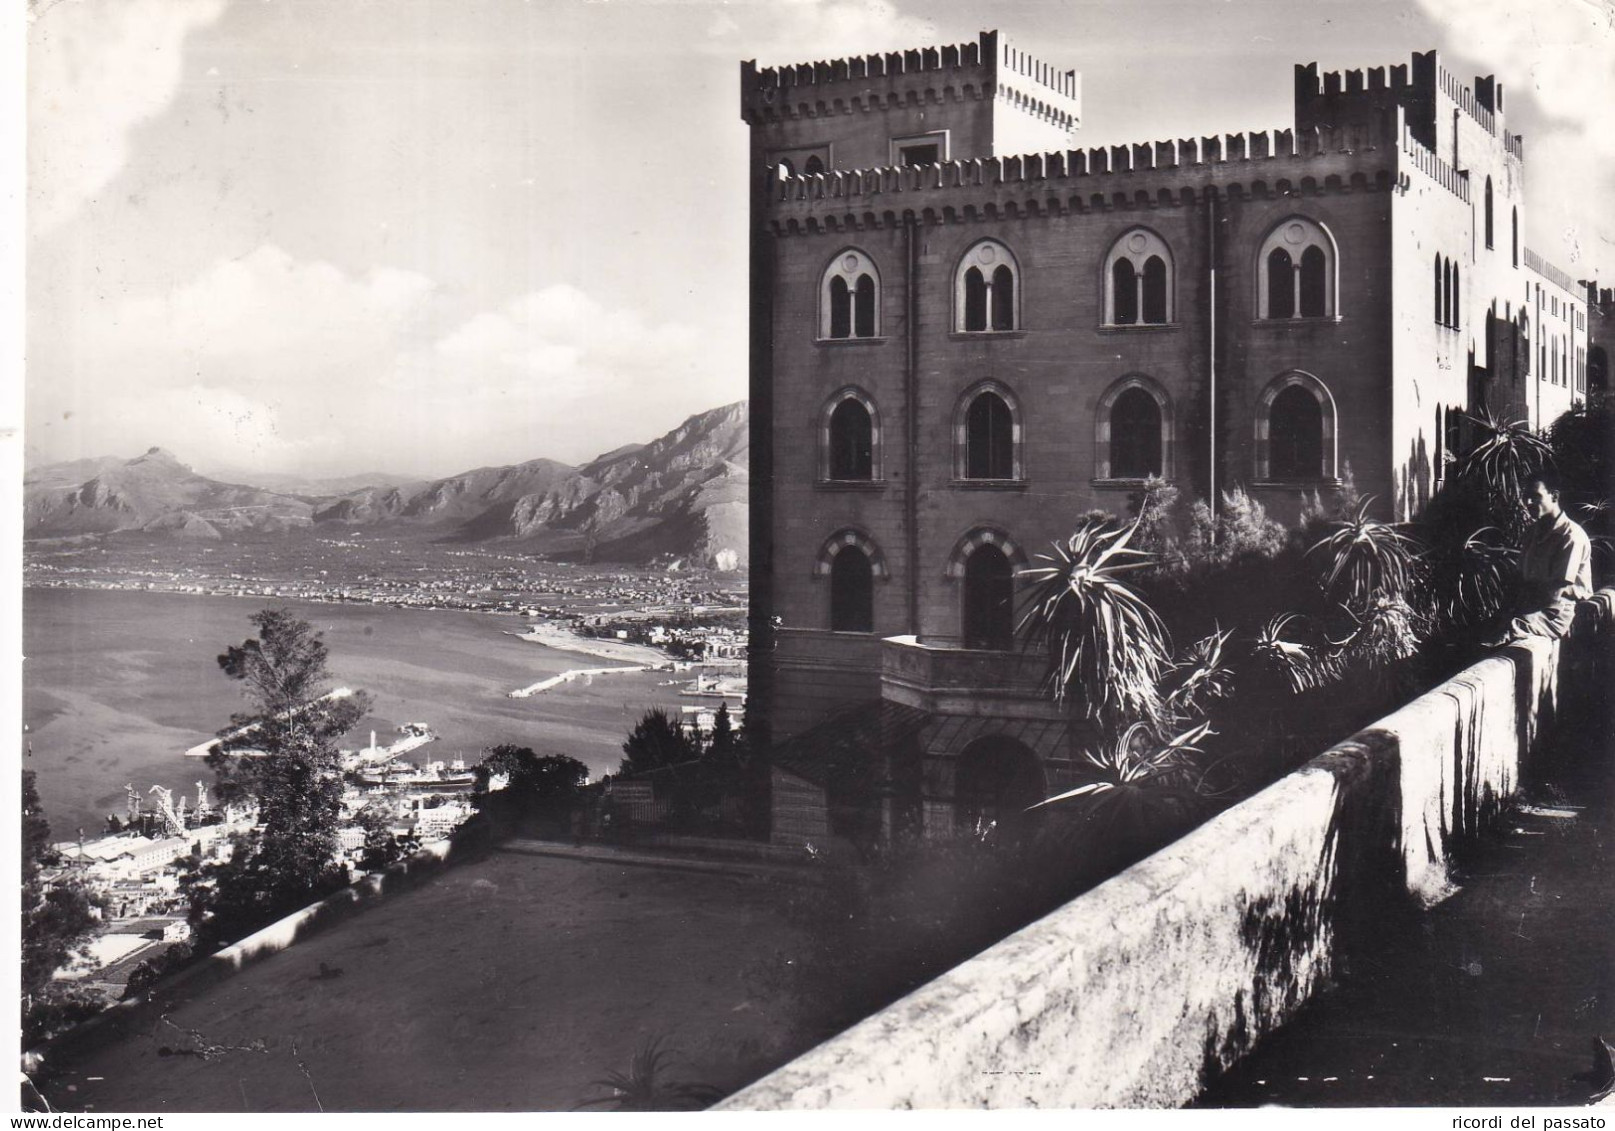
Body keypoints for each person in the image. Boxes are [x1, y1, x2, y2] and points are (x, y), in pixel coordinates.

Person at [1485, 468, 1593, 644]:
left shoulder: (1570, 535)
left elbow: (1555, 592)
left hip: (1558, 612)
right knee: (1485, 628)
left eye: (1535, 496)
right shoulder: (1532, 532)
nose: (1528, 502)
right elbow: (1519, 579)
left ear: (1554, 496)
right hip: (1532, 605)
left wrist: (1516, 614)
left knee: (1508, 631)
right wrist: (1502, 612)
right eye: (1525, 496)